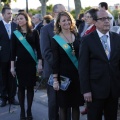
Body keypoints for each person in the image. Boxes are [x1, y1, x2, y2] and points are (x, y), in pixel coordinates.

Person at [79, 9, 120, 120]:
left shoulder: (117, 38)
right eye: (102, 19)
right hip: (94, 91)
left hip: (113, 90)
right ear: (95, 22)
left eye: (108, 18)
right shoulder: (87, 40)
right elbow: (83, 67)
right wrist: (86, 90)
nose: (106, 21)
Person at [51, 11, 84, 120]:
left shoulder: (76, 35)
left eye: (68, 19)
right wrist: (55, 80)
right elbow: (55, 61)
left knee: (76, 106)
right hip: (63, 78)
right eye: (63, 20)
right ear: (59, 23)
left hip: (77, 76)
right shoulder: (56, 39)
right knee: (63, 107)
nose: (67, 22)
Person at [10, 12, 42, 120]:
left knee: (30, 88)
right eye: (17, 19)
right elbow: (12, 52)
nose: (19, 21)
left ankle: (29, 110)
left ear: (26, 19)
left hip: (31, 64)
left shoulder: (34, 32)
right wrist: (12, 67)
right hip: (20, 65)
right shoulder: (15, 34)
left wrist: (40, 63)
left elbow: (39, 49)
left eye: (21, 18)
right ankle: (22, 111)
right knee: (21, 88)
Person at [40, 4, 69, 120]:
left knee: (67, 102)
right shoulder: (45, 29)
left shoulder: (69, 27)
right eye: (62, 12)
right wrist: (59, 66)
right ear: (54, 14)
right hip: (53, 71)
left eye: (65, 11)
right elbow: (46, 52)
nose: (64, 13)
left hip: (68, 71)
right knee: (53, 102)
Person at [0, 6, 19, 107]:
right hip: (2, 56)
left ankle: (12, 97)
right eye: (8, 13)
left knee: (12, 78)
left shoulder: (15, 26)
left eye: (11, 13)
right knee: (2, 78)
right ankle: (3, 98)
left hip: (13, 57)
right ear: (3, 15)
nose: (11, 15)